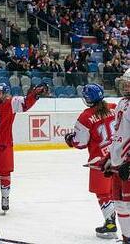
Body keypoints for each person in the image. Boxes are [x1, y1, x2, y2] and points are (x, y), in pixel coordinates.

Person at [0, 82, 48, 212]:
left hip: (5, 145)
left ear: (5, 93)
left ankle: (5, 198)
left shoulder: (12, 102)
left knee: (5, 173)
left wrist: (34, 94)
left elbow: (26, 103)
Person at [64, 83, 117, 239]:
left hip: (99, 161)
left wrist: (70, 140)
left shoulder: (86, 116)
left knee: (103, 194)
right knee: (118, 192)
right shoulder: (114, 107)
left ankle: (110, 224)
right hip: (118, 157)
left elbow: (80, 143)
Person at [100, 73, 130, 244]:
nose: (126, 86)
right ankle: (127, 238)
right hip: (118, 162)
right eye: (125, 83)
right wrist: (109, 156)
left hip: (127, 162)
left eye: (129, 84)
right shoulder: (122, 103)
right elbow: (118, 134)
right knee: (119, 203)